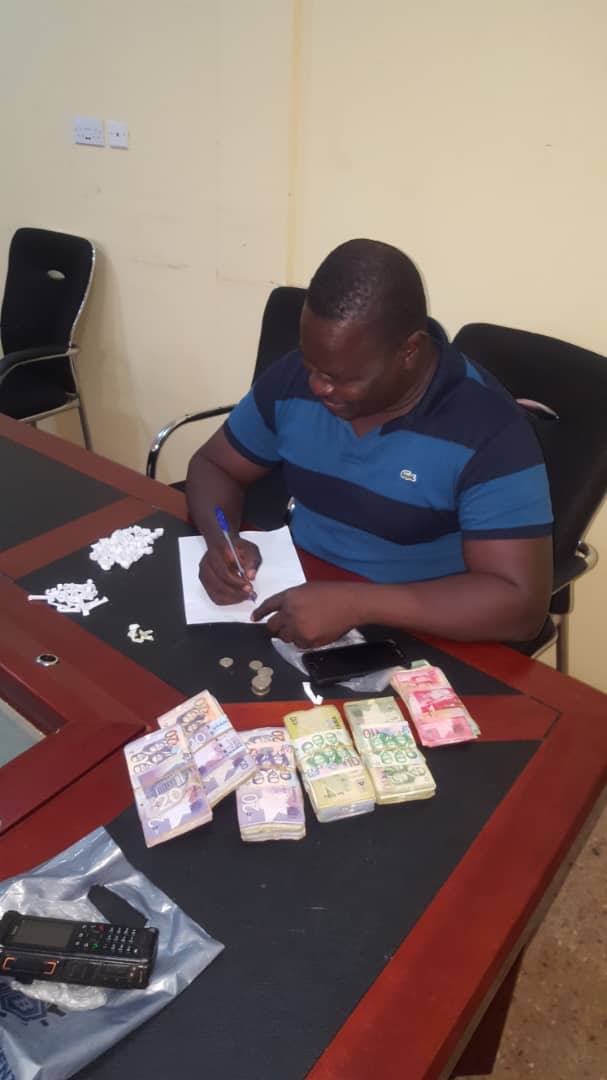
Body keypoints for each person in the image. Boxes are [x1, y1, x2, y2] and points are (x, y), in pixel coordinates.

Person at [186, 239, 553, 648]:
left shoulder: (489, 430)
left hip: (423, 631)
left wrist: (357, 604)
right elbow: (214, 466)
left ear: (409, 351)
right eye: (311, 365)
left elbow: (521, 606)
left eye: (340, 377)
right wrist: (222, 544)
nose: (317, 386)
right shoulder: (295, 378)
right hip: (298, 594)